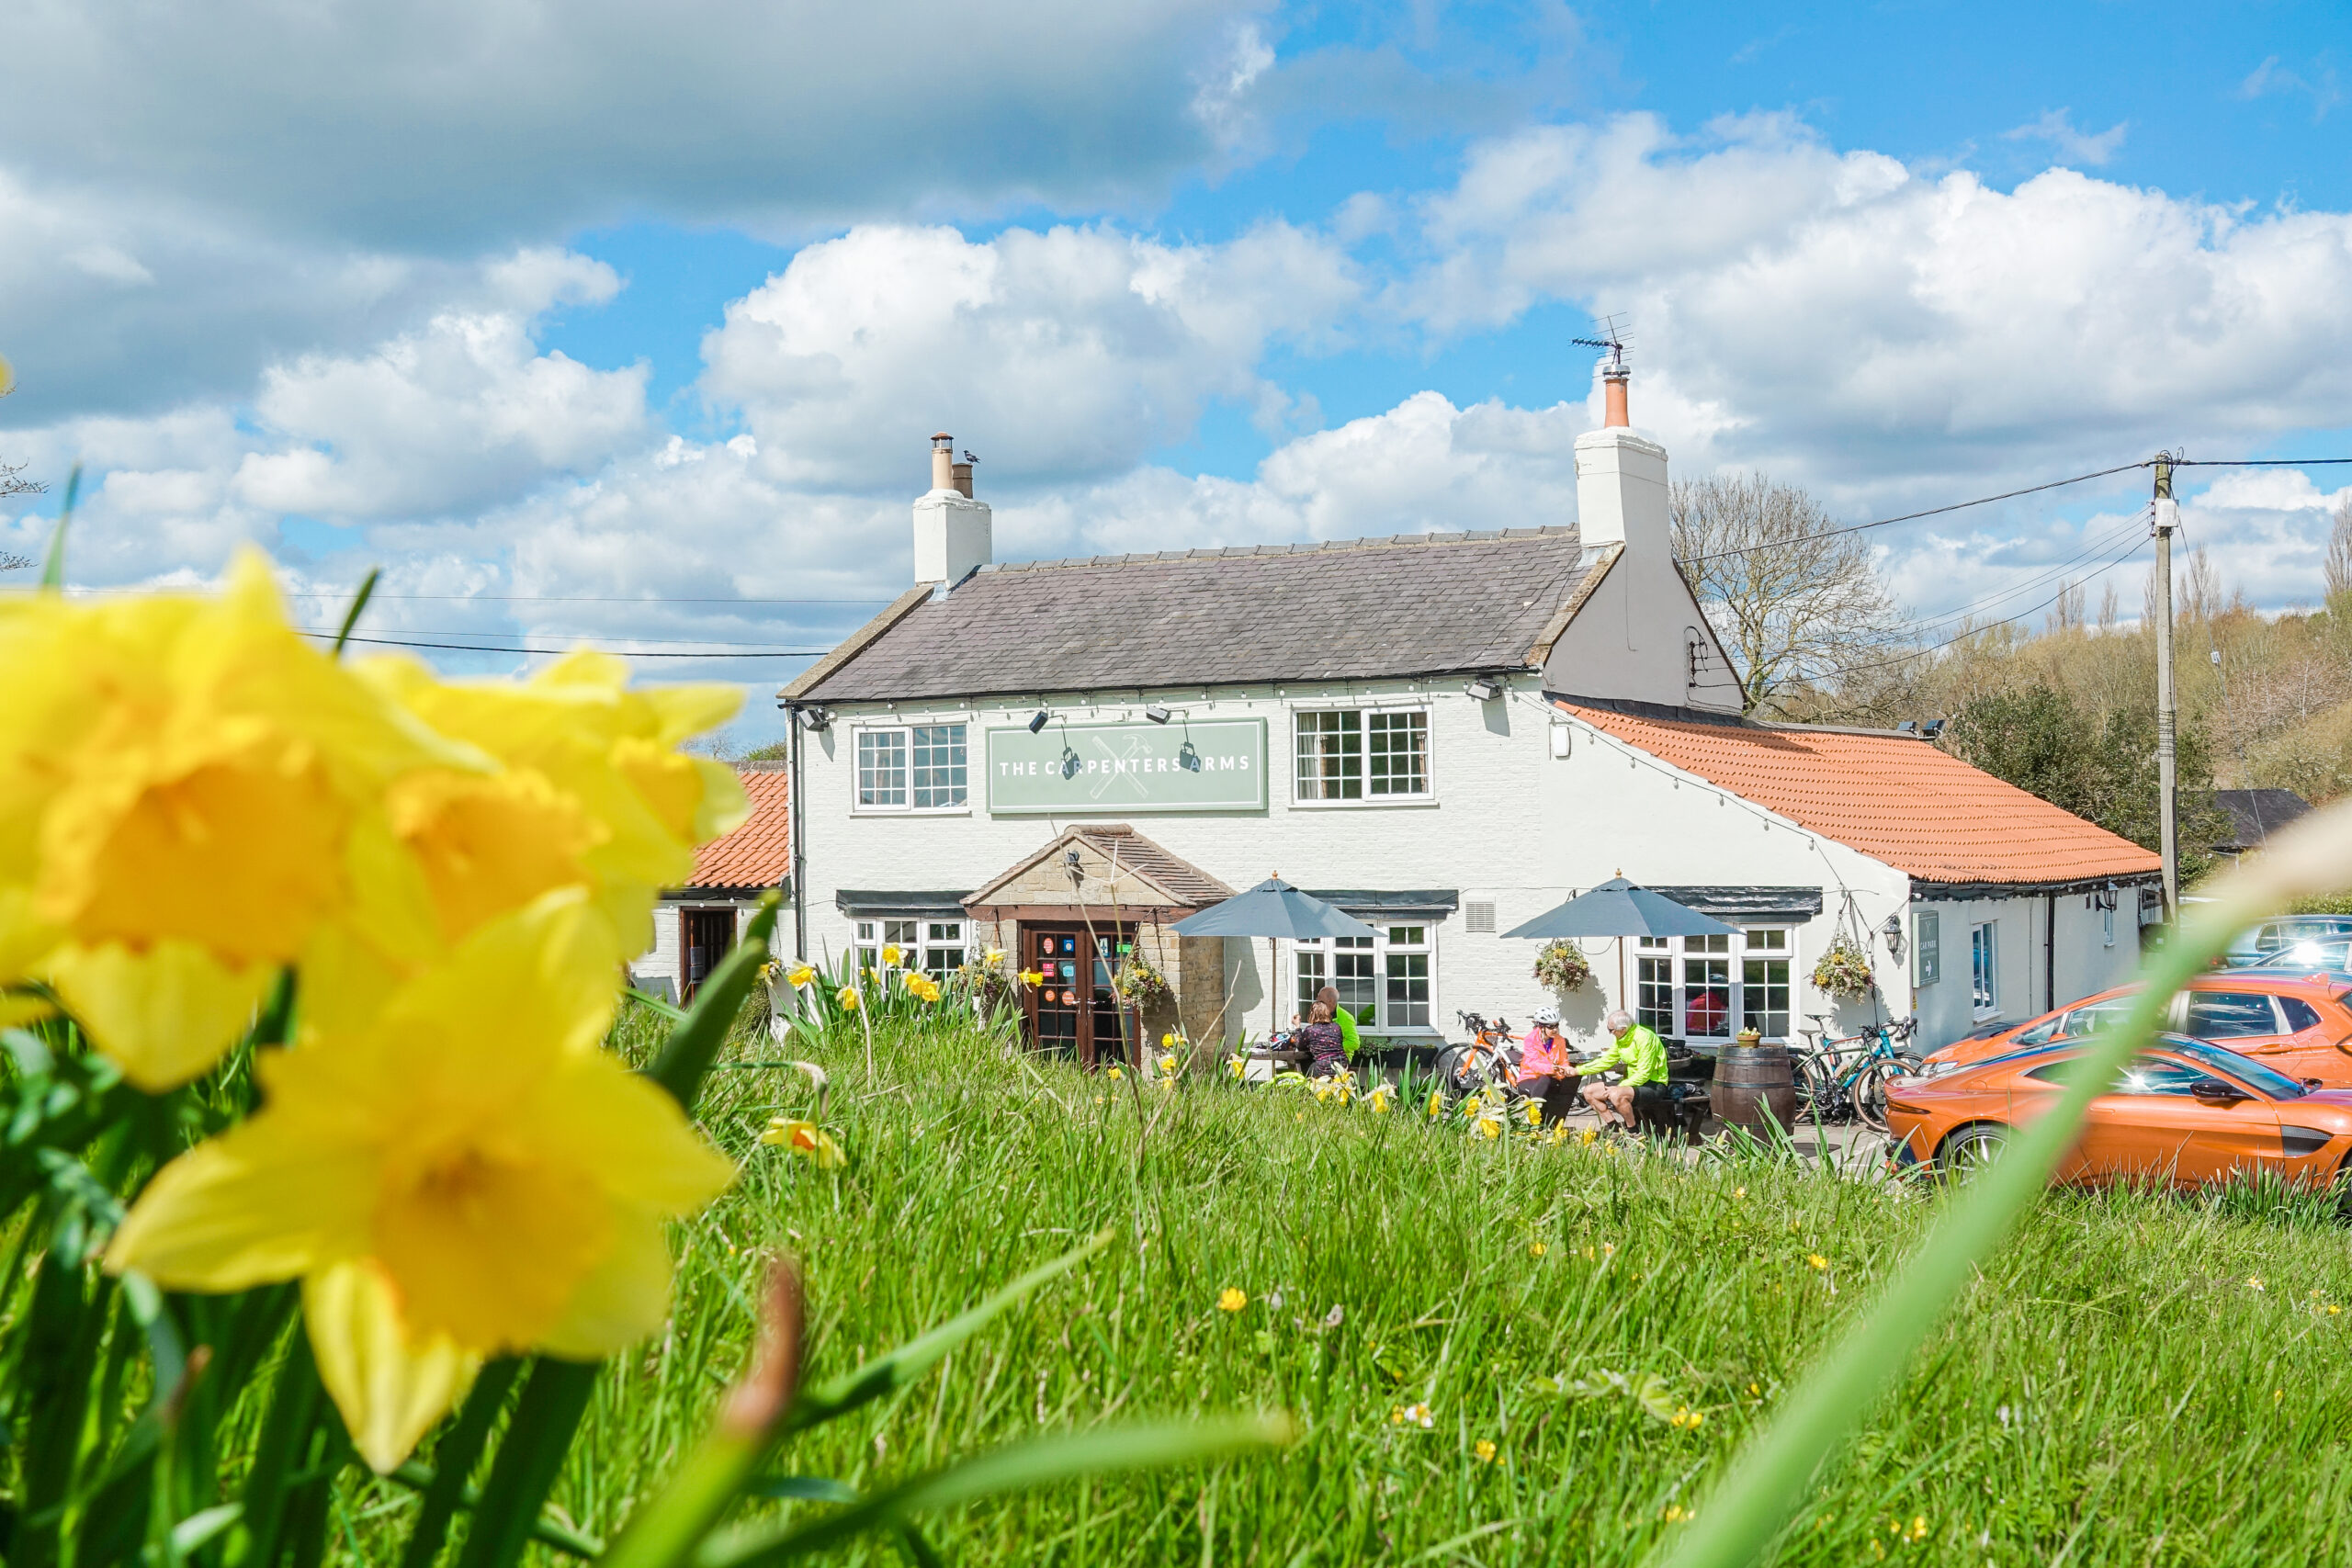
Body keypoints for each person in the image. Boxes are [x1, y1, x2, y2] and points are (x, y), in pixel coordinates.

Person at [1578, 1009, 1668, 1130]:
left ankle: (1633, 1130)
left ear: (1623, 1029)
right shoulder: (1622, 1039)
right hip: (1632, 1083)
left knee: (1616, 1094)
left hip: (1653, 1084)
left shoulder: (1645, 1038)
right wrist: (1578, 1071)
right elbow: (1607, 1060)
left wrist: (1620, 1086)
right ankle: (1614, 1128)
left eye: (1611, 1030)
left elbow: (1643, 1074)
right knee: (1589, 1091)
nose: (1610, 1033)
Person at [1512, 1006, 1579, 1124]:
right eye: (1550, 1026)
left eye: (1556, 1025)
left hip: (1551, 1076)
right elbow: (1532, 1063)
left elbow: (1563, 1060)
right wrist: (1551, 1069)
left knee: (1563, 1083)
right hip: (1530, 1077)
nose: (1555, 1030)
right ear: (1541, 1027)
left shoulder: (1560, 1040)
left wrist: (1565, 1068)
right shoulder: (1530, 1039)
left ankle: (1550, 1124)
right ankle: (1534, 1120)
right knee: (1545, 1080)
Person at [1300, 1001, 1348, 1078]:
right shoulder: (1336, 1027)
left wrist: (1297, 1027)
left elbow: (1300, 1045)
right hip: (1343, 1065)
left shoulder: (1311, 1030)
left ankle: (1309, 1088)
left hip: (1323, 1067)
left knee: (1306, 1065)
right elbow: (1339, 1042)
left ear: (1312, 1014)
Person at [1317, 985, 1362, 1063]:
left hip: (1340, 1060)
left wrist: (1332, 1048)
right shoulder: (1320, 1015)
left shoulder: (1346, 1018)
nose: (1317, 1001)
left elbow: (1354, 1043)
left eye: (1320, 999)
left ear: (1330, 1001)